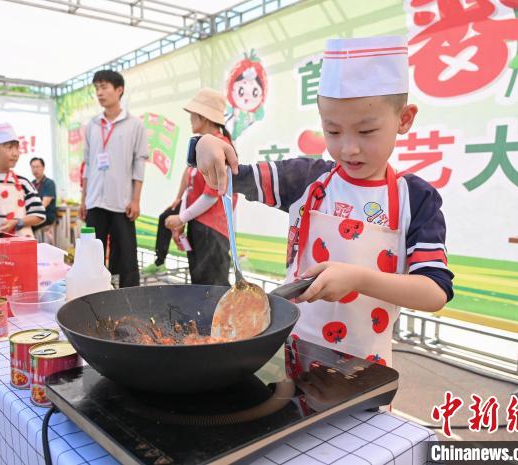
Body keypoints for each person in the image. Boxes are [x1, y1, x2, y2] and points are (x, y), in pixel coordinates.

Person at [192, 36, 454, 366]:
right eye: (333, 131)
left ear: (404, 119)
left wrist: (358, 279)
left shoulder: (415, 198)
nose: (348, 148)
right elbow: (229, 174)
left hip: (368, 370)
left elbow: (434, 291)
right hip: (293, 354)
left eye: (366, 131)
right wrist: (204, 145)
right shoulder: (305, 179)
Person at [79, 70, 148, 288]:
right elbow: (88, 164)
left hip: (122, 202)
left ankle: (131, 300)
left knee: (127, 256)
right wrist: (84, 199)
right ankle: (94, 296)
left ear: (119, 90)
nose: (99, 93)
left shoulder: (134, 124)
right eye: (96, 88)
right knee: (92, 257)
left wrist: (136, 199)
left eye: (104, 87)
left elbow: (139, 163)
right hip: (95, 201)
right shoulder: (92, 125)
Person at [162, 88, 237, 286]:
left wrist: (181, 217)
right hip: (200, 226)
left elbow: (212, 195)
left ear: (203, 117)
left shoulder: (218, 145)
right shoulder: (203, 145)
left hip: (212, 230)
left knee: (211, 291)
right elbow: (190, 179)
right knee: (201, 288)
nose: (190, 119)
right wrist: (182, 217)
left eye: (193, 114)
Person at [30, 157, 57, 243]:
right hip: (34, 215)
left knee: (27, 225)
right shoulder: (32, 183)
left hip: (46, 216)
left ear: (43, 167)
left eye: (37, 167)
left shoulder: (49, 183)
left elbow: (44, 204)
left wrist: (29, 215)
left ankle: (33, 249)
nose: (35, 169)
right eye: (33, 167)